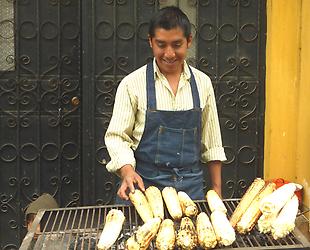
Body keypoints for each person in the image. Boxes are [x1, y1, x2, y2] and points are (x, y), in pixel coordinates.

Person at [105, 6, 226, 203]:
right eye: (161, 45)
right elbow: (117, 137)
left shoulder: (203, 83)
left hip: (190, 191)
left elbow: (212, 143)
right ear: (151, 42)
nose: (169, 54)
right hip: (143, 189)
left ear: (189, 41)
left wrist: (217, 192)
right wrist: (127, 171)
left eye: (176, 45)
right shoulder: (132, 84)